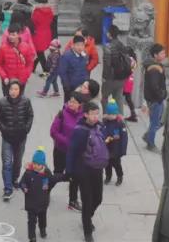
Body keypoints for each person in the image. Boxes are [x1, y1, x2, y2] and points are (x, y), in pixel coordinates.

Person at [65, 101, 109, 241]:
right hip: (83, 170)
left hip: (97, 169)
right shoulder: (80, 131)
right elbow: (71, 151)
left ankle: (87, 218)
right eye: (93, 114)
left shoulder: (100, 127)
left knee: (98, 198)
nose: (96, 116)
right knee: (87, 200)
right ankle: (87, 231)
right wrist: (69, 171)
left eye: (97, 114)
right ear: (85, 114)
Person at [0, 79, 34, 201]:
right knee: (7, 163)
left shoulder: (26, 101)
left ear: (20, 90)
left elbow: (30, 115)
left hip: (21, 137)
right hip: (7, 138)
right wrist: (4, 129)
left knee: (17, 162)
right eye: (11, 89)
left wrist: (26, 129)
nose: (13, 91)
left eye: (16, 89)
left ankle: (14, 179)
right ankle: (8, 188)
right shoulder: (1, 102)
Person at [50, 93, 85, 210]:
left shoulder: (83, 116)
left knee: (75, 176)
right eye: (70, 101)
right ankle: (45, 190)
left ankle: (73, 201)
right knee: (58, 173)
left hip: (76, 153)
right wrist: (67, 142)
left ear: (80, 104)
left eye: (74, 102)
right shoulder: (62, 114)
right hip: (61, 150)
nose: (71, 103)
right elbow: (53, 132)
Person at [19, 147, 61, 242]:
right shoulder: (28, 173)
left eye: (38, 164)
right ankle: (32, 237)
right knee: (31, 221)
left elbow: (53, 180)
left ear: (42, 164)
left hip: (42, 203)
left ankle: (42, 229)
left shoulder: (47, 173)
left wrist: (65, 177)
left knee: (42, 218)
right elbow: (22, 182)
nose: (35, 166)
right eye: (34, 163)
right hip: (31, 203)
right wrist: (24, 187)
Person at [101, 26, 134, 118]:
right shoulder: (122, 45)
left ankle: (106, 116)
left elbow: (107, 65)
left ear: (109, 34)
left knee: (104, 98)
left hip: (110, 78)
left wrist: (104, 77)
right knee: (118, 98)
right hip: (122, 77)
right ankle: (119, 117)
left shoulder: (107, 47)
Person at [0, 24, 37, 94]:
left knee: (19, 99)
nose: (11, 37)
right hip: (7, 80)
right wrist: (4, 77)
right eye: (10, 34)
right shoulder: (3, 48)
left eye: (13, 35)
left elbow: (30, 63)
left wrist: (25, 76)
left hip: (21, 80)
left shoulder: (26, 47)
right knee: (7, 99)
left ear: (19, 34)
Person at [141, 43, 169, 150]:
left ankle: (148, 136)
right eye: (162, 53)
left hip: (155, 99)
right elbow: (154, 86)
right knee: (155, 122)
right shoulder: (154, 69)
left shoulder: (155, 66)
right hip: (155, 99)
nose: (164, 55)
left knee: (160, 120)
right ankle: (150, 144)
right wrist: (161, 95)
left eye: (164, 53)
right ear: (155, 55)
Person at [101, 99, 128, 186]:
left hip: (116, 149)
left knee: (117, 164)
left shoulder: (120, 124)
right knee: (107, 165)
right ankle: (108, 176)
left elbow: (124, 138)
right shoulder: (104, 122)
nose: (110, 116)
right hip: (106, 148)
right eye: (109, 114)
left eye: (112, 114)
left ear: (116, 114)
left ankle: (120, 176)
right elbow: (101, 132)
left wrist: (123, 150)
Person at [57, 35, 91, 103]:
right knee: (69, 105)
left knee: (81, 105)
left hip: (82, 87)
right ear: (73, 45)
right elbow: (62, 72)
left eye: (82, 45)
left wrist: (87, 81)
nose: (80, 47)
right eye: (78, 45)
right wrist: (66, 86)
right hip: (71, 87)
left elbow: (86, 70)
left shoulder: (85, 55)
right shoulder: (66, 56)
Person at [31, 0, 55, 75]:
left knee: (39, 52)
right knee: (40, 51)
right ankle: (33, 67)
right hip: (47, 33)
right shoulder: (50, 11)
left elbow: (33, 22)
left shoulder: (36, 12)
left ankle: (45, 69)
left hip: (38, 34)